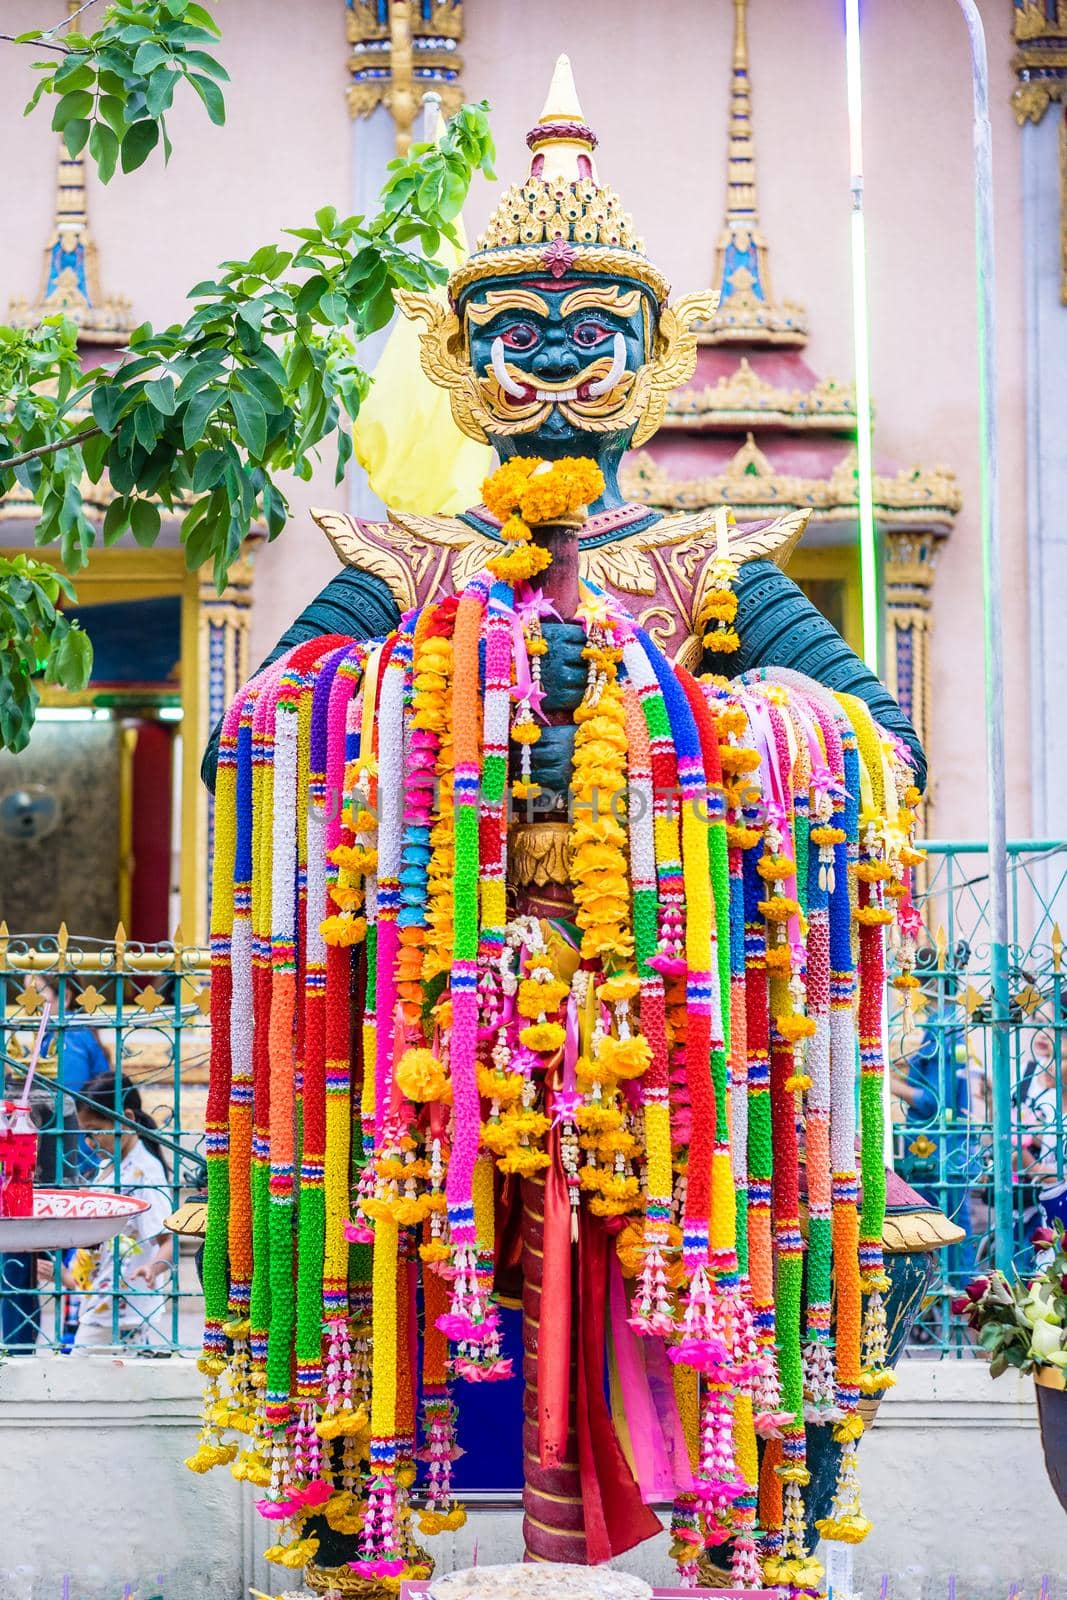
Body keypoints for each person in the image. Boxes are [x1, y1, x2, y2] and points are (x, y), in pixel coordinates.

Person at [43, 1073, 174, 1350]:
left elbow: (168, 1238)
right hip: (101, 1298)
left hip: (120, 1306)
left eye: (94, 1131)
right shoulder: (109, 1167)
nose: (89, 1143)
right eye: (85, 1134)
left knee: (79, 1375)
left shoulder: (144, 1171)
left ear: (127, 1118)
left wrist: (153, 1268)